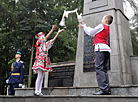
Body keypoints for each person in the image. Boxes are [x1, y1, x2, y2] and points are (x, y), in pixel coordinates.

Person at [78, 15, 113, 95]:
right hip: (106, 50)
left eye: (102, 19)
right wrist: (85, 26)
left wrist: (84, 27)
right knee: (103, 69)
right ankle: (106, 89)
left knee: (99, 68)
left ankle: (104, 89)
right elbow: (93, 33)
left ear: (106, 21)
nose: (101, 20)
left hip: (100, 49)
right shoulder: (106, 28)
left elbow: (91, 32)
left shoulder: (101, 26)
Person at [32, 25, 64, 96]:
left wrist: (57, 33)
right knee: (39, 76)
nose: (43, 36)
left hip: (45, 59)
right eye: (41, 36)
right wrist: (52, 30)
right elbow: (46, 38)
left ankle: (39, 91)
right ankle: (36, 91)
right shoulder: (39, 42)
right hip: (41, 58)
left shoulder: (45, 44)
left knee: (42, 76)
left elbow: (52, 40)